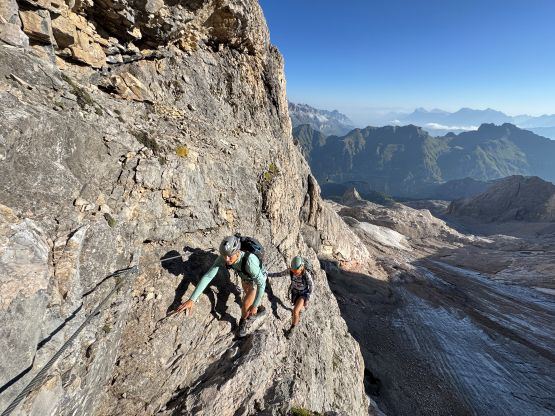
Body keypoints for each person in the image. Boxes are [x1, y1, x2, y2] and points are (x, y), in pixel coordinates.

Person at [175, 235, 267, 336]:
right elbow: (208, 276)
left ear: (237, 252)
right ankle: (258, 307)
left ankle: (244, 323)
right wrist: (192, 300)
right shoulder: (225, 257)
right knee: (248, 298)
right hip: (245, 278)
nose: (227, 259)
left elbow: (261, 283)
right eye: (224, 255)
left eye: (229, 256)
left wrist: (254, 306)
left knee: (246, 305)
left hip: (256, 280)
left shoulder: (250, 262)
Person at [270, 255, 314, 338]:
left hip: (303, 294)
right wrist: (268, 274)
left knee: (295, 311)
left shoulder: (306, 275)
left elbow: (311, 286)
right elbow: (279, 274)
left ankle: (292, 329)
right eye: (293, 270)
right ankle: (298, 312)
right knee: (296, 309)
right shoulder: (291, 271)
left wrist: (308, 298)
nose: (294, 272)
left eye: (296, 270)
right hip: (295, 293)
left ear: (302, 267)